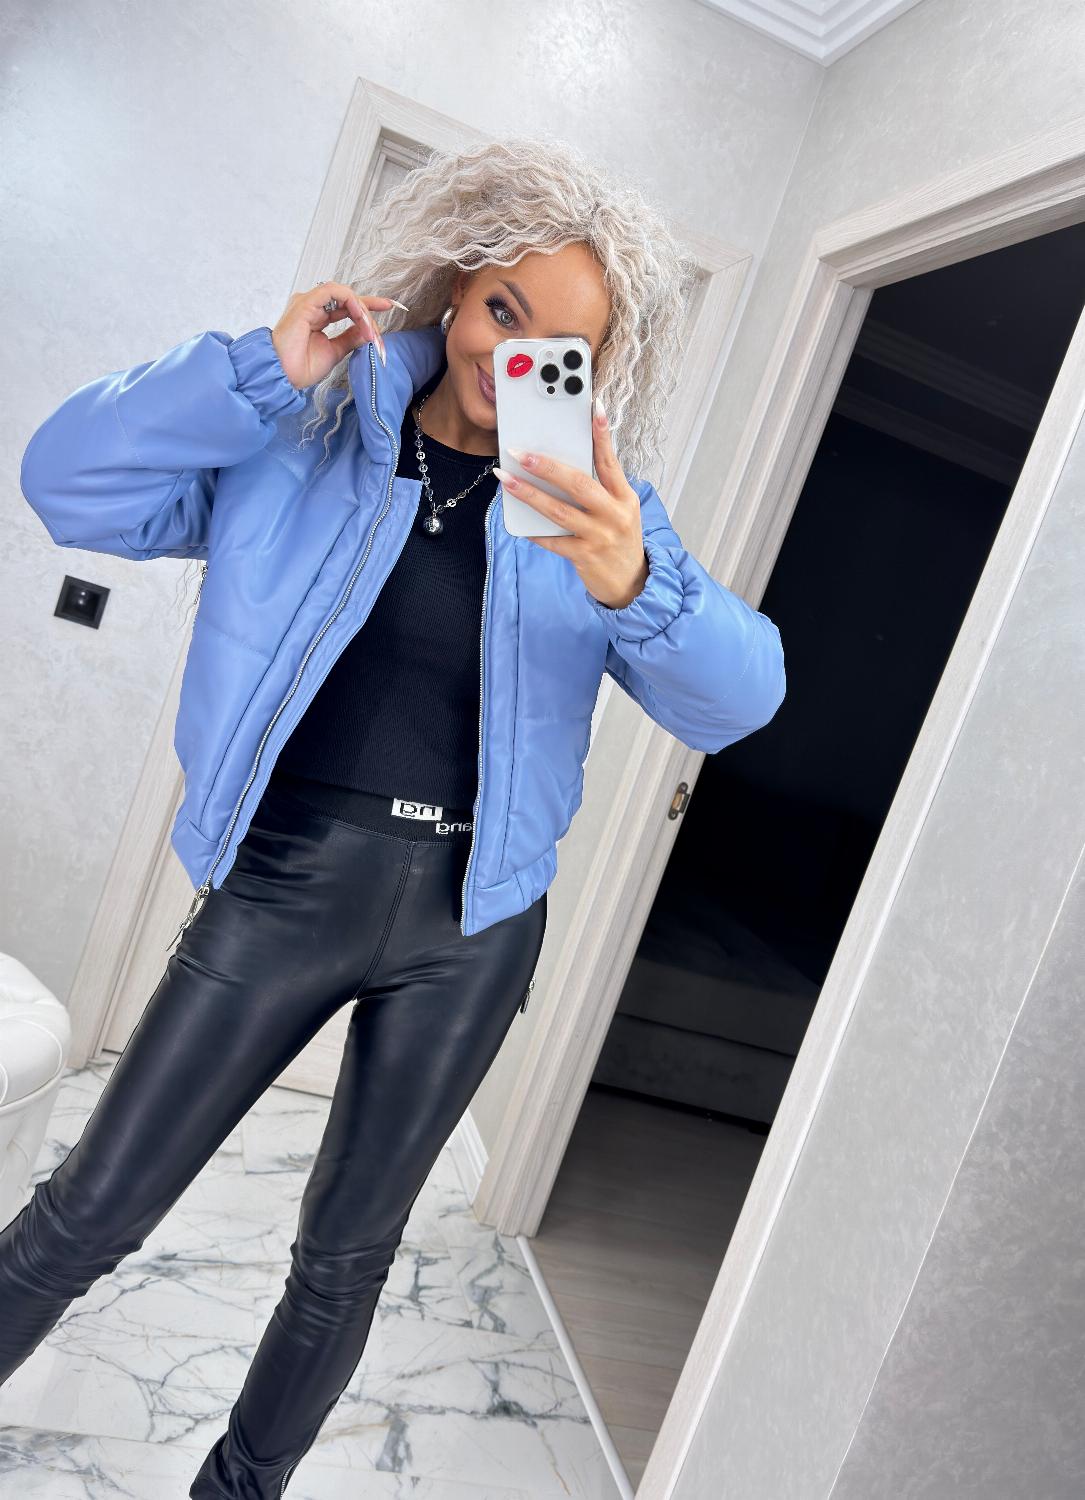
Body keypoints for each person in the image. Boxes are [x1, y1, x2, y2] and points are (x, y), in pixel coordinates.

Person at [2, 135, 786, 1495]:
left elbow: (739, 701)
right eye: (502, 310)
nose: (512, 355)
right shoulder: (303, 436)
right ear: (453, 288)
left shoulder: (598, 515)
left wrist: (633, 582)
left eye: (561, 347)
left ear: (599, 372)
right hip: (283, 884)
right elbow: (67, 483)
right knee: (90, 1212)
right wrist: (259, 368)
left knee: (343, 1262)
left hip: (472, 927)